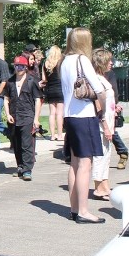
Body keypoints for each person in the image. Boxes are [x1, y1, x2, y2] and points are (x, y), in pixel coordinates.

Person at [61, 27, 110, 223]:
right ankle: (83, 210)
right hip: (84, 115)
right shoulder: (82, 60)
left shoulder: (64, 62)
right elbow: (100, 89)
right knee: (85, 164)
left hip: (69, 116)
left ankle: (74, 208)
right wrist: (103, 110)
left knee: (74, 164)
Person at [4, 56, 42, 181]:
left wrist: (36, 119)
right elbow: (6, 99)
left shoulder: (32, 81)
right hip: (14, 116)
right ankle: (20, 166)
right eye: (16, 66)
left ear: (26, 68)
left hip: (27, 115)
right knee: (16, 143)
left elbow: (37, 100)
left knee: (26, 143)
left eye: (21, 66)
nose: (18, 68)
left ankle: (27, 169)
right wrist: (8, 114)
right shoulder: (10, 81)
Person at [91, 48, 116, 201]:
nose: (111, 63)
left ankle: (104, 184)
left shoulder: (102, 78)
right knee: (100, 155)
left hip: (109, 122)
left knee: (107, 155)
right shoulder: (97, 80)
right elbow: (98, 106)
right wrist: (106, 126)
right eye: (108, 61)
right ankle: (99, 187)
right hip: (102, 125)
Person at [42, 46, 65, 141]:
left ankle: (52, 135)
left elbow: (44, 79)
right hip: (60, 89)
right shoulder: (61, 62)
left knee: (52, 113)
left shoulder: (45, 63)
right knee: (59, 113)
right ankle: (60, 135)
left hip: (50, 90)